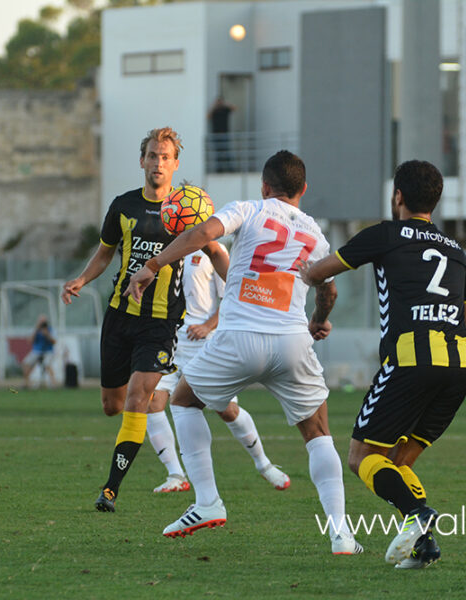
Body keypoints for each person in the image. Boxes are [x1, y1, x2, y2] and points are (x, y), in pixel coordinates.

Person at [126, 150, 362, 555]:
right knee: (318, 434)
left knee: (182, 402)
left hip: (238, 336)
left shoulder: (250, 209)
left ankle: (206, 503)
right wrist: (320, 318)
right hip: (291, 340)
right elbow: (329, 288)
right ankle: (341, 534)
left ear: (264, 186)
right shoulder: (316, 235)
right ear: (303, 190)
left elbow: (203, 235)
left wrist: (154, 264)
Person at [301, 159, 466, 570]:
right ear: (435, 200)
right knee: (396, 463)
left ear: (397, 196)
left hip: (411, 358)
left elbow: (319, 273)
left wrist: (304, 272)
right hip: (460, 363)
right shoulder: (456, 251)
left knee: (361, 457)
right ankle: (424, 545)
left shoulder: (387, 235)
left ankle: (419, 517)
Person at [61, 127, 228, 513]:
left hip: (161, 323)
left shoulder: (189, 208)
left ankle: (110, 490)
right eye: (152, 155)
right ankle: (139, 444)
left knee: (139, 398)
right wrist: (81, 280)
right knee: (112, 405)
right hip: (120, 318)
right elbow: (105, 254)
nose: (158, 163)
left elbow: (216, 252)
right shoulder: (123, 206)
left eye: (165, 157)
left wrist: (239, 285)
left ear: (175, 164)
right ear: (142, 161)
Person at [148, 246, 290, 494]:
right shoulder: (166, 250)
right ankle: (176, 474)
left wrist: (207, 325)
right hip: (168, 341)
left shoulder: (214, 252)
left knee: (225, 410)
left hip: (204, 342)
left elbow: (232, 296)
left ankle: (264, 464)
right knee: (152, 402)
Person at [21, 314, 56, 388]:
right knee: (26, 363)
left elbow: (54, 342)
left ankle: (53, 384)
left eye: (44, 322)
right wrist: (36, 330)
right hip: (36, 351)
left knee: (47, 365)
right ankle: (26, 383)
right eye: (41, 322)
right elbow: (30, 341)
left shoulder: (50, 329)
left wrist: (47, 335)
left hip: (48, 351)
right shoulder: (35, 329)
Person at [207, 96, 236, 172]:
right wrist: (214, 106)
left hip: (225, 133)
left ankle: (230, 168)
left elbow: (234, 108)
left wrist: (225, 104)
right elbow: (208, 116)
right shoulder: (215, 110)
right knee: (218, 152)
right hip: (216, 134)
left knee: (227, 152)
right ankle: (219, 169)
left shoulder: (225, 109)